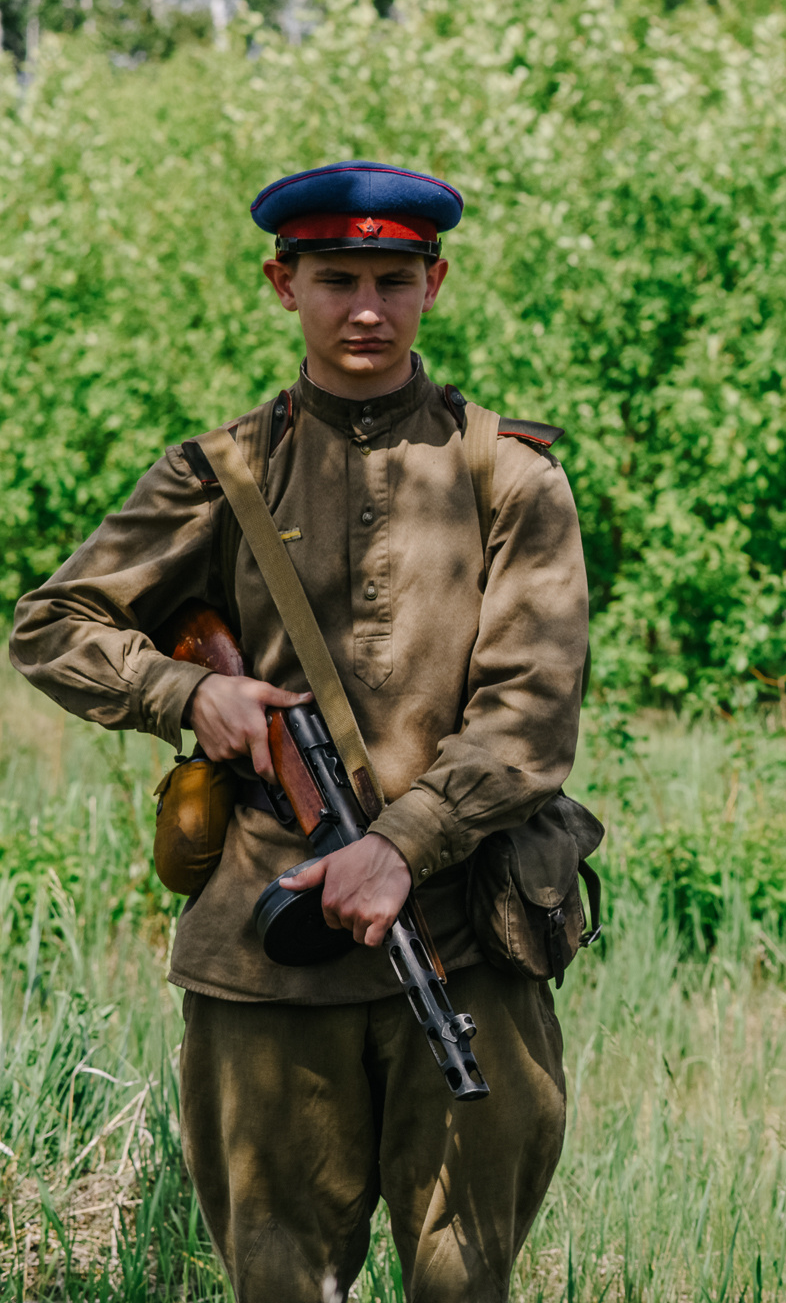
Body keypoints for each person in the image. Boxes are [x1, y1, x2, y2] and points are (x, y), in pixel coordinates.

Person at [10, 161, 588, 1302]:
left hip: (466, 935)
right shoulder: (218, 473)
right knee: (281, 1280)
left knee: (463, 1280)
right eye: (336, 279)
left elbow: (529, 713)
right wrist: (189, 696)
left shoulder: (507, 474)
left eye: (392, 278)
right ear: (285, 284)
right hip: (267, 957)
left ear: (436, 282)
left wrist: (402, 843)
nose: (365, 307)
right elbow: (51, 624)